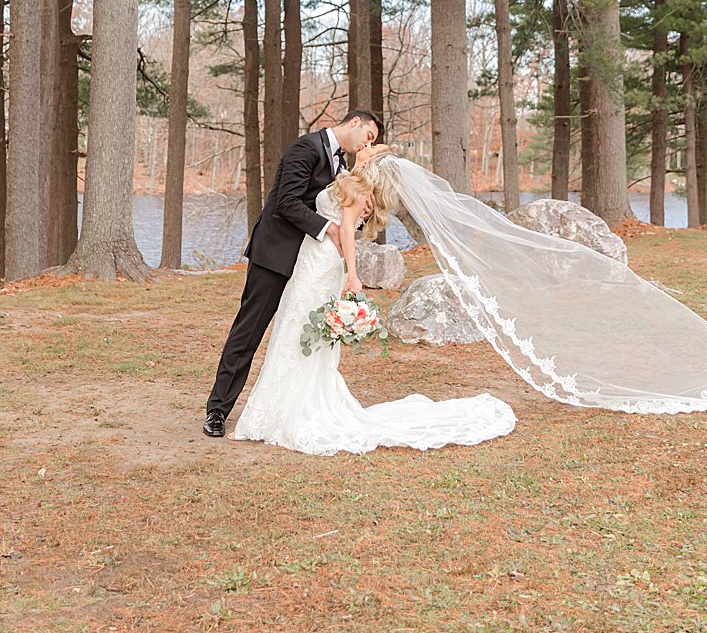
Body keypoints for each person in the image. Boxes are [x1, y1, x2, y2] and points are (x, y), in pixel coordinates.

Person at [226, 148, 517, 455]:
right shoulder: (352, 180)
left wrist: (352, 274)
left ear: (376, 167)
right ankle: (269, 414)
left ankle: (285, 415)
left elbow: (348, 231)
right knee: (289, 330)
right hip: (308, 260)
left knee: (297, 334)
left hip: (322, 264)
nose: (366, 147)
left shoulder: (360, 191)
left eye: (372, 148)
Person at [202, 109, 383, 438]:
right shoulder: (306, 147)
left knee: (295, 336)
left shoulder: (339, 162)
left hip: (309, 265)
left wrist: (360, 206)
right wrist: (327, 228)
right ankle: (217, 409)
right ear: (354, 123)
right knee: (249, 332)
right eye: (368, 136)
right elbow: (286, 201)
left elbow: (333, 201)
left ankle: (290, 406)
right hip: (276, 255)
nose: (367, 144)